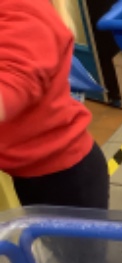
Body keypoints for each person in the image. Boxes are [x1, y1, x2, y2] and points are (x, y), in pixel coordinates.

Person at [0, 0, 109, 212]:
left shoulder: (19, 8)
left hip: (64, 175)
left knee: (69, 235)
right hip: (28, 170)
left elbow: (14, 86)